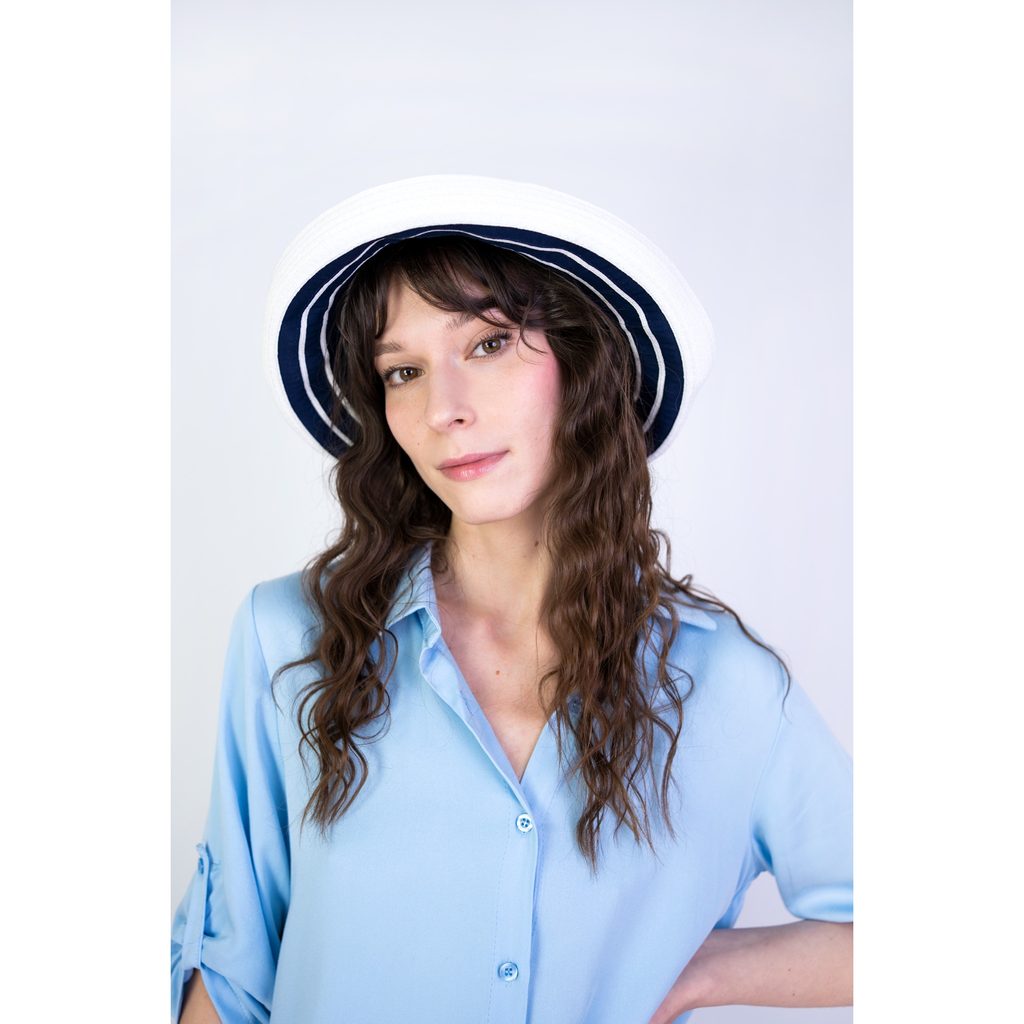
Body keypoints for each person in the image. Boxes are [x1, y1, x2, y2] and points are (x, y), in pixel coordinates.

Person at [171, 175, 853, 1024]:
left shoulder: (727, 685)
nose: (444, 410)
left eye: (489, 344)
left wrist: (708, 968)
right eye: (404, 371)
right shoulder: (291, 640)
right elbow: (230, 972)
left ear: (581, 365)